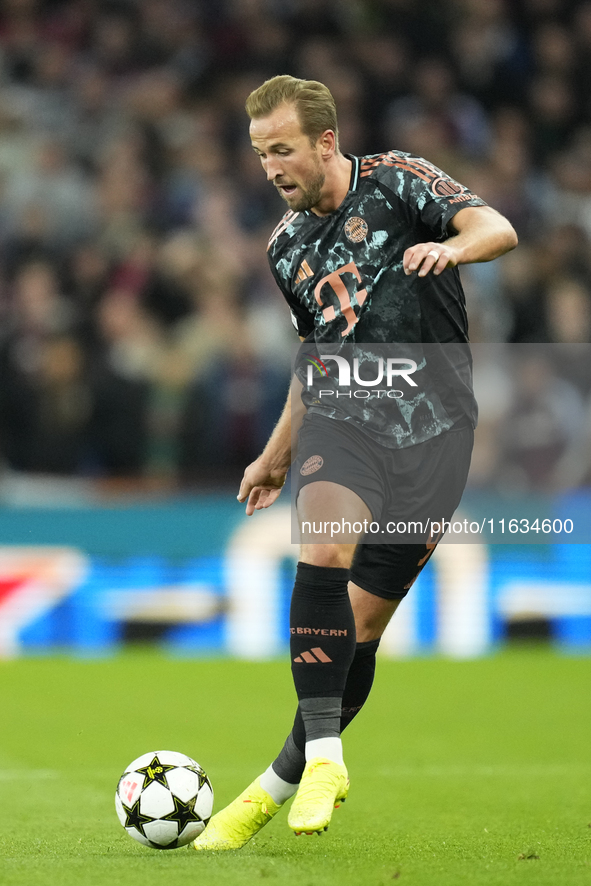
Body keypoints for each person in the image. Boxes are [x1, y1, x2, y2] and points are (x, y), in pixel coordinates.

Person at [192, 75, 517, 850]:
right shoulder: (285, 246)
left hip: (435, 431)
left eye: (281, 150)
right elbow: (316, 353)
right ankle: (329, 758)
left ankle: (273, 785)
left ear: (325, 142)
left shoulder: (399, 181)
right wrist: (275, 454)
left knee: (361, 630)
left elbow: (497, 227)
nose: (269, 167)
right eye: (258, 153)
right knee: (324, 547)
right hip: (345, 422)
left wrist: (451, 245)